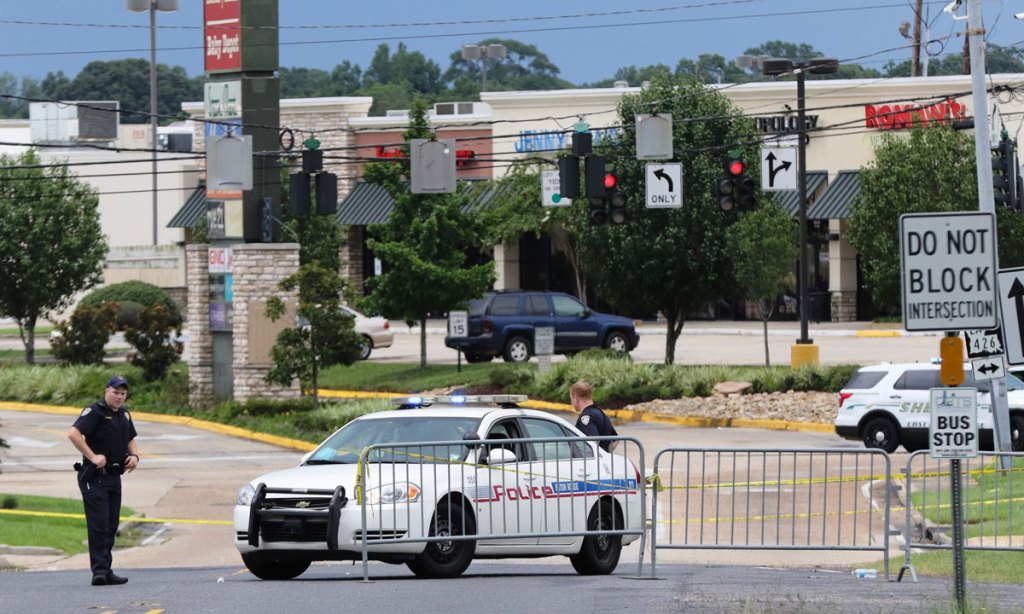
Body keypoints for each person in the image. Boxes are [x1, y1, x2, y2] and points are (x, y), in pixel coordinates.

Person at [67, 375, 140, 586]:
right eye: (115, 392)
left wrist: (134, 456)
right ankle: (98, 571)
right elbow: (73, 433)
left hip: (115, 476)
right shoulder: (95, 411)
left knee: (110, 524)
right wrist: (92, 456)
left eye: (123, 394)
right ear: (106, 391)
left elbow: (131, 439)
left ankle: (106, 570)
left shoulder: (124, 414)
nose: (119, 397)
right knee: (99, 524)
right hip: (94, 477)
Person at [569, 380, 619, 452]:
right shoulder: (601, 413)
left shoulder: (586, 417)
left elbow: (593, 440)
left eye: (571, 399)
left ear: (575, 398)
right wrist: (606, 455)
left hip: (591, 462)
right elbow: (615, 440)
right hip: (601, 461)